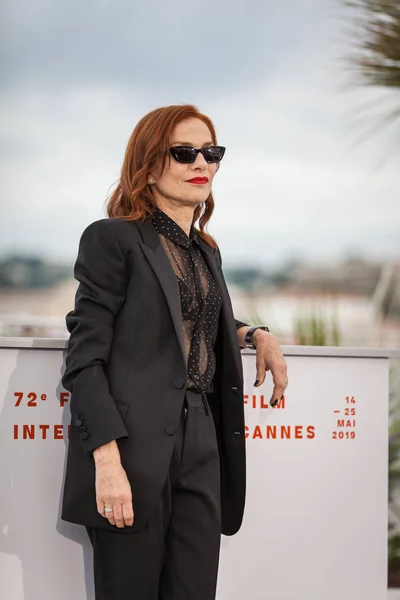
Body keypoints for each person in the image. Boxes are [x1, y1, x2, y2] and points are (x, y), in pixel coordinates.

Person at [61, 104, 288, 600]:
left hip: (203, 438)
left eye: (212, 153)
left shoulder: (206, 249)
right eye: (184, 153)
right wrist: (107, 461)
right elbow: (83, 359)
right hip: (133, 446)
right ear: (148, 162)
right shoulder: (114, 238)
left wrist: (256, 335)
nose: (201, 164)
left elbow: (197, 317)